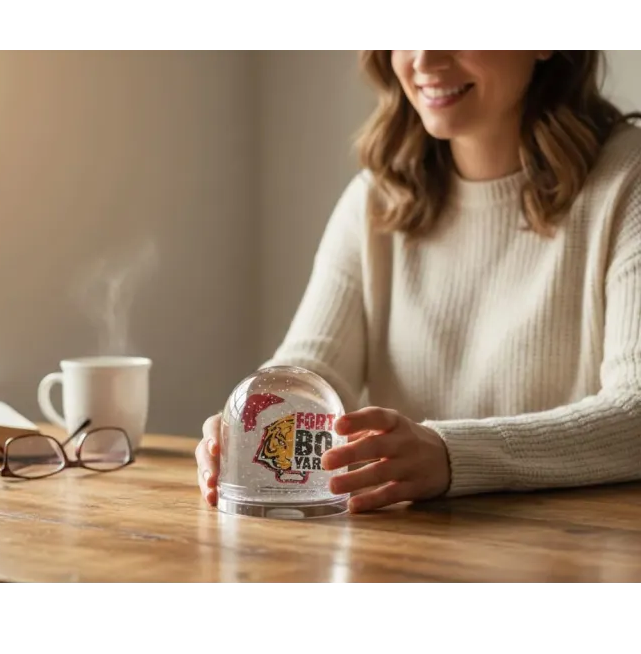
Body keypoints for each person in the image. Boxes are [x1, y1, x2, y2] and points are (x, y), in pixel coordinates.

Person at [195, 47, 641, 514]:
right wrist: (251, 420)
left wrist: (450, 454)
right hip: (408, 561)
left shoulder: (628, 181)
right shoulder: (374, 199)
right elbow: (312, 369)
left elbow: (634, 414)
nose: (425, 58)